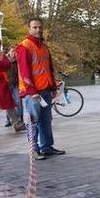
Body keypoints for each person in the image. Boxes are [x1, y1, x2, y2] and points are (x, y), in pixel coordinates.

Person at [17, 17, 65, 160]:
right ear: (29, 29)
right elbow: (25, 73)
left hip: (45, 89)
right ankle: (34, 149)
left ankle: (46, 147)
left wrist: (52, 87)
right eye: (35, 27)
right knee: (33, 121)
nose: (38, 30)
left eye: (40, 27)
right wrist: (32, 92)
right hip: (33, 92)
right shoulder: (24, 47)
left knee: (46, 120)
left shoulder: (44, 47)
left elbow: (48, 68)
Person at [4, 46, 23, 128]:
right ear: (9, 52)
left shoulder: (18, 61)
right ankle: (8, 119)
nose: (14, 53)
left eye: (15, 51)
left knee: (18, 102)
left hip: (16, 84)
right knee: (8, 103)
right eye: (12, 51)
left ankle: (20, 119)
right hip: (7, 84)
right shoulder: (5, 61)